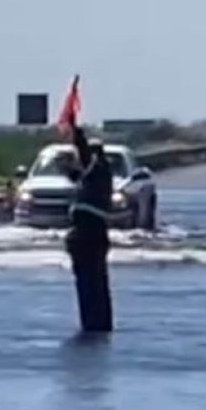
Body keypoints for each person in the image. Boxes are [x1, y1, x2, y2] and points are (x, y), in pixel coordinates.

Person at [62, 122, 115, 332]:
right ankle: (93, 323)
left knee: (94, 284)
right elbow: (77, 174)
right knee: (88, 285)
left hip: (91, 234)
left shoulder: (100, 170)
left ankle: (98, 323)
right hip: (84, 235)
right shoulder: (91, 176)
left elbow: (85, 160)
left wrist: (77, 135)